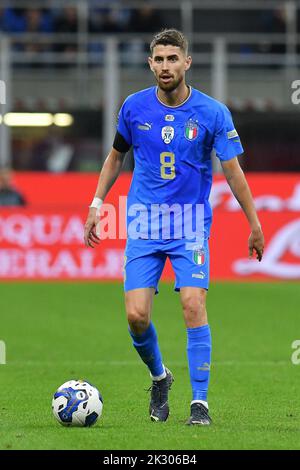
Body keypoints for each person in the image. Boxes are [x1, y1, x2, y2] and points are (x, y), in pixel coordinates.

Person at [84, 29, 264, 425]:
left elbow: (232, 172)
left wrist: (254, 223)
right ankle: (159, 377)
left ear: (187, 63)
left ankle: (199, 403)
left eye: (172, 59)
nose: (165, 66)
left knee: (192, 304)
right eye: (159, 59)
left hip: (190, 226)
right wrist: (97, 204)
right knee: (136, 316)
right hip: (144, 223)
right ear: (150, 63)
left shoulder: (213, 112)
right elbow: (116, 158)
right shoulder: (133, 107)